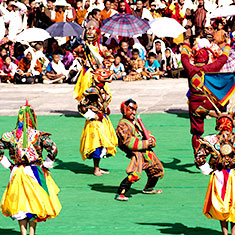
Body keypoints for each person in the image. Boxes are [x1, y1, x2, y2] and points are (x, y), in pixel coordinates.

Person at [0, 101, 61, 235]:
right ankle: (32, 232)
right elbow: (53, 149)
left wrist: (8, 164)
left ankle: (23, 232)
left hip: (17, 172)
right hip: (35, 172)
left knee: (20, 203)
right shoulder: (39, 135)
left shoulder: (9, 136)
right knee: (35, 202)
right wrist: (46, 164)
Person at [181, 36, 231, 153]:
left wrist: (186, 44)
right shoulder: (210, 67)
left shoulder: (190, 68)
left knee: (196, 131)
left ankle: (198, 154)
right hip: (211, 104)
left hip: (196, 106)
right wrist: (228, 45)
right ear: (207, 58)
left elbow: (184, 57)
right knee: (224, 103)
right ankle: (223, 137)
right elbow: (223, 58)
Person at [115, 99, 164, 201]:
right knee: (135, 174)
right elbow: (127, 141)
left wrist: (151, 139)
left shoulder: (134, 122)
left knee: (157, 170)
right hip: (137, 152)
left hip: (146, 151)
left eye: (135, 109)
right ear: (124, 109)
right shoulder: (122, 125)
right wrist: (145, 143)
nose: (134, 112)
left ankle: (148, 188)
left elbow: (145, 132)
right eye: (131, 109)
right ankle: (120, 193)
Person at [195, 111, 235, 235]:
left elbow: (199, 157)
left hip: (219, 175)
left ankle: (225, 233)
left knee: (221, 204)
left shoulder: (210, 139)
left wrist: (207, 169)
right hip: (231, 175)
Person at [77, 68, 118, 176]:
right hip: (95, 123)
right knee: (97, 145)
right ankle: (96, 169)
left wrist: (105, 109)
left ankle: (98, 167)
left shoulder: (102, 89)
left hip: (102, 120)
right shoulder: (92, 91)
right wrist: (92, 116)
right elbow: (81, 106)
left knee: (103, 144)